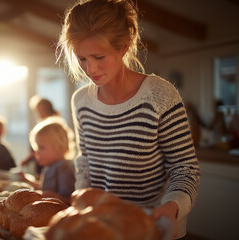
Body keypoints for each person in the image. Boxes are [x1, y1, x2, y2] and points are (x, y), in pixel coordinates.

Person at [56, 0, 200, 239]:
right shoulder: (81, 101)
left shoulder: (159, 95)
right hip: (101, 228)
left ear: (123, 46)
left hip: (153, 226)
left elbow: (184, 168)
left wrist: (171, 207)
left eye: (98, 56)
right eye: (81, 58)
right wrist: (81, 204)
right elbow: (85, 161)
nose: (89, 69)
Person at [19, 116, 76, 205]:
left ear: (59, 147)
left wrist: (54, 196)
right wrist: (27, 180)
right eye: (36, 148)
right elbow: (44, 187)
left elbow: (71, 200)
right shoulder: (49, 166)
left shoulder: (63, 168)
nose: (36, 153)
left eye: (41, 148)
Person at [20, 95, 62, 177]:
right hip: (42, 168)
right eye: (37, 111)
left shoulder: (53, 128)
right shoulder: (40, 126)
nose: (39, 114)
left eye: (41, 110)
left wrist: (29, 158)